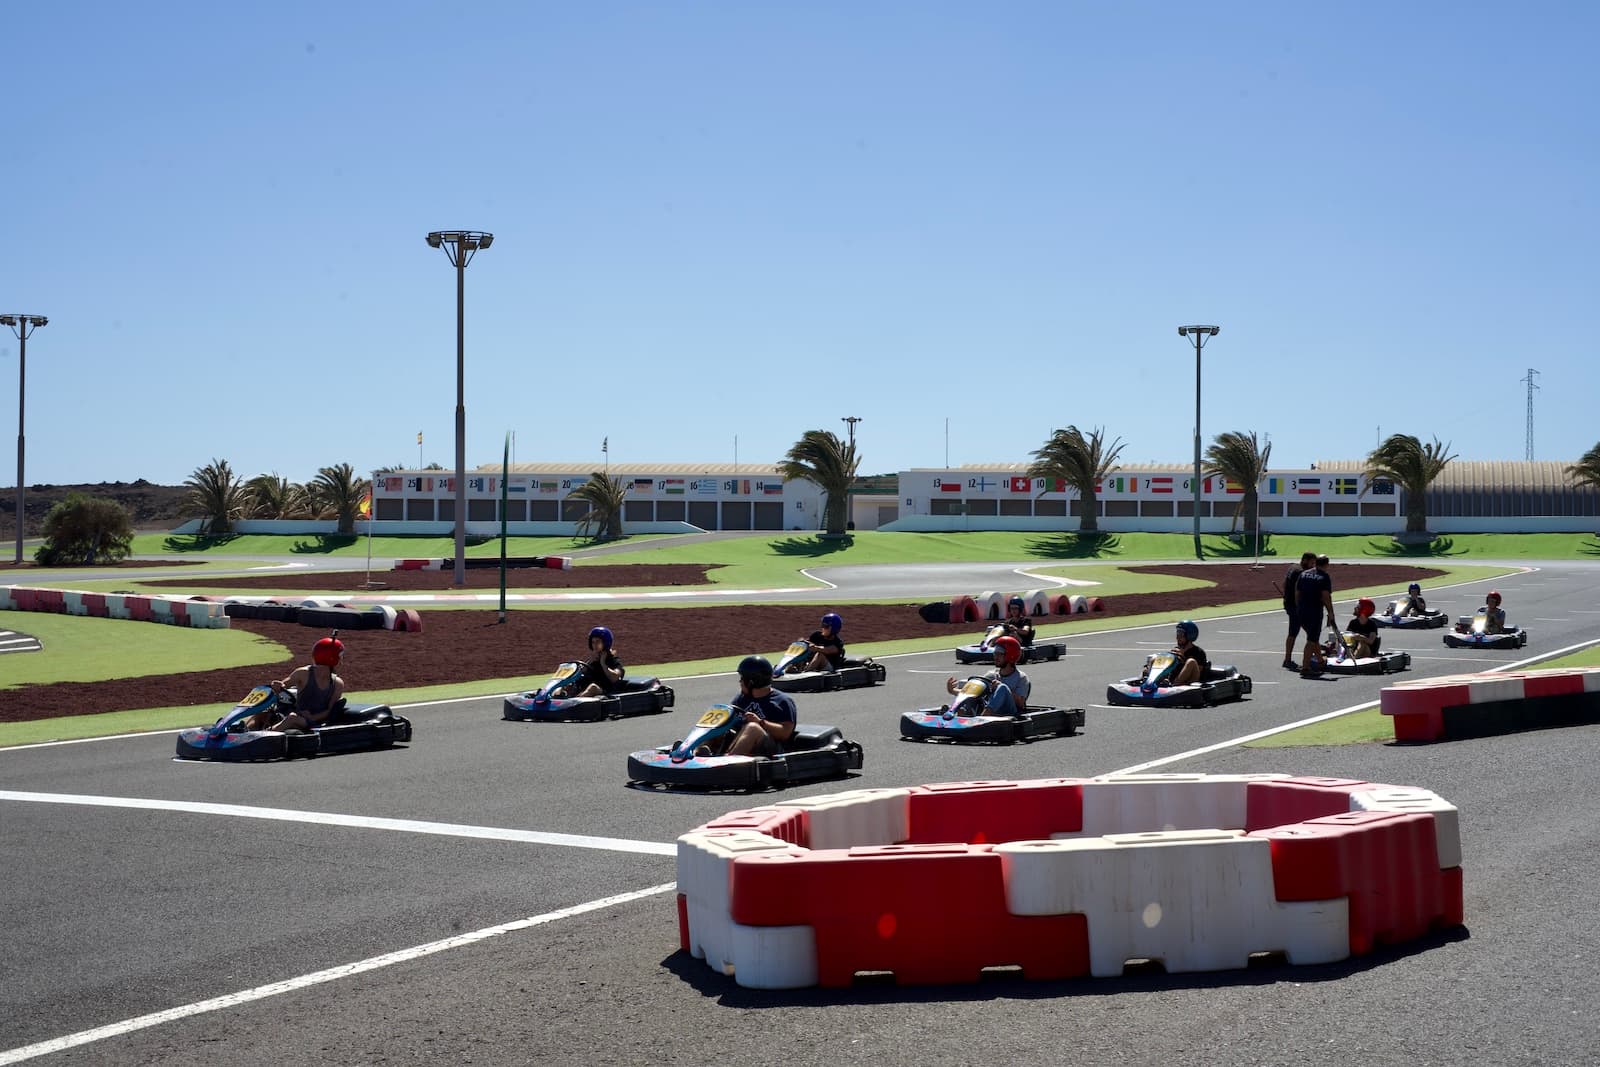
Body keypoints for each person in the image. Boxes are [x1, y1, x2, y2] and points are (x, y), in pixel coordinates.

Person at [263, 637, 346, 732]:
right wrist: (277, 685)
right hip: (296, 714)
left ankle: (261, 738)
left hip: (314, 722)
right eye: (340, 657)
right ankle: (245, 732)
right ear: (333, 658)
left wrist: (312, 717)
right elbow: (284, 684)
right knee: (262, 712)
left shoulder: (337, 684)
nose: (341, 661)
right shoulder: (303, 673)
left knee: (292, 718)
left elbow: (328, 711)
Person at [726, 655, 798, 756]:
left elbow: (785, 733)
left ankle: (728, 763)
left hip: (771, 750)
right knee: (718, 727)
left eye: (743, 678)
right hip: (739, 739)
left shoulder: (781, 701)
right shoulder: (741, 698)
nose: (740, 682)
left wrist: (760, 722)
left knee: (753, 727)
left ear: (752, 682)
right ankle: (699, 754)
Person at [947, 635, 1030, 716]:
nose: (995, 657)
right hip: (989, 710)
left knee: (1002, 688)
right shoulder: (991, 675)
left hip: (1009, 713)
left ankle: (984, 716)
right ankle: (960, 712)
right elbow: (975, 691)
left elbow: (1020, 703)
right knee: (975, 686)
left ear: (1010, 655)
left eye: (999, 653)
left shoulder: (1021, 677)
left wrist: (1002, 687)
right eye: (995, 653)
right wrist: (953, 690)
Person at [1296, 555, 1338, 677]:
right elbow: (1325, 596)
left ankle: (1320, 661)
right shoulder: (1324, 577)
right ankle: (1305, 667)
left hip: (1302, 609)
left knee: (1312, 637)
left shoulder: (1304, 574)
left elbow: (1297, 592)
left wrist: (1298, 607)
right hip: (1314, 610)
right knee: (1311, 639)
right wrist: (1330, 612)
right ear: (1326, 565)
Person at [1281, 551, 1317, 670]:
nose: (1313, 566)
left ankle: (1288, 659)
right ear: (1305, 560)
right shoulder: (1301, 572)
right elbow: (1301, 591)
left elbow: (1284, 584)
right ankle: (1313, 659)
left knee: (1294, 632)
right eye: (1312, 563)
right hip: (1297, 607)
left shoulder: (1292, 567)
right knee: (1309, 633)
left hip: (1289, 604)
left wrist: (1286, 596)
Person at [577, 626, 625, 697]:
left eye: (598, 642)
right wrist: (590, 661)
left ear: (605, 643)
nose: (594, 645)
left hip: (605, 690)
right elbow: (580, 674)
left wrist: (603, 663)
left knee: (593, 687)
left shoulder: (614, 660)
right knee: (567, 685)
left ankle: (572, 704)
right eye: (593, 642)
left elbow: (614, 678)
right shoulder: (592, 660)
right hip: (586, 687)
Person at [1167, 620, 1209, 686]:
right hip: (1173, 679)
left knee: (1191, 661)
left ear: (1189, 635)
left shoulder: (1199, 652)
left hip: (1190, 683)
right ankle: (1149, 684)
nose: (1178, 637)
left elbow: (1198, 672)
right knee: (1155, 659)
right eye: (1177, 633)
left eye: (1181, 634)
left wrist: (1183, 656)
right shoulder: (1176, 650)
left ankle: (1174, 685)